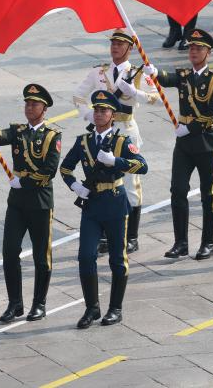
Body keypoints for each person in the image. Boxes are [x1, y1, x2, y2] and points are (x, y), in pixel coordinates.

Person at [60, 91, 148, 328]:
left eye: (104, 110)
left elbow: (142, 166)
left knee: (117, 259)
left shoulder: (121, 142)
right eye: (96, 110)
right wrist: (75, 186)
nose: (99, 114)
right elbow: (65, 168)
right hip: (92, 205)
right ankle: (92, 308)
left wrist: (115, 161)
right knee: (85, 256)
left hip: (115, 203)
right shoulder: (83, 141)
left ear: (113, 115)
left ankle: (115, 309)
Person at [71, 30, 158, 254]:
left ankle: (132, 237)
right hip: (102, 130)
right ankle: (104, 234)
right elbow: (78, 95)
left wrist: (135, 92)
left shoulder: (137, 73)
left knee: (130, 183)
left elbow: (156, 98)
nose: (115, 47)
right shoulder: (99, 72)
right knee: (101, 179)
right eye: (113, 43)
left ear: (130, 48)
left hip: (126, 129)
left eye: (120, 44)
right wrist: (88, 115)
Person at [143, 29, 213, 260]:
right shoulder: (184, 75)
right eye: (191, 48)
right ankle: (181, 243)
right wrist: (154, 72)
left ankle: (208, 242)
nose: (194, 52)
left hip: (205, 141)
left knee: (208, 193)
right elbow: (167, 78)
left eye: (199, 48)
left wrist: (190, 127)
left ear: (208, 52)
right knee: (178, 190)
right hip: (185, 144)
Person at [0, 84, 61, 323]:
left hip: (39, 202)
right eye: (27, 104)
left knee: (41, 256)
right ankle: (15, 303)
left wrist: (23, 183)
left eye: (34, 104)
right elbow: (2, 136)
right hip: (17, 202)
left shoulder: (52, 135)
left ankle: (39, 304)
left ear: (44, 109)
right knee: (9, 252)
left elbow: (49, 170)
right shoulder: (18, 131)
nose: (29, 108)